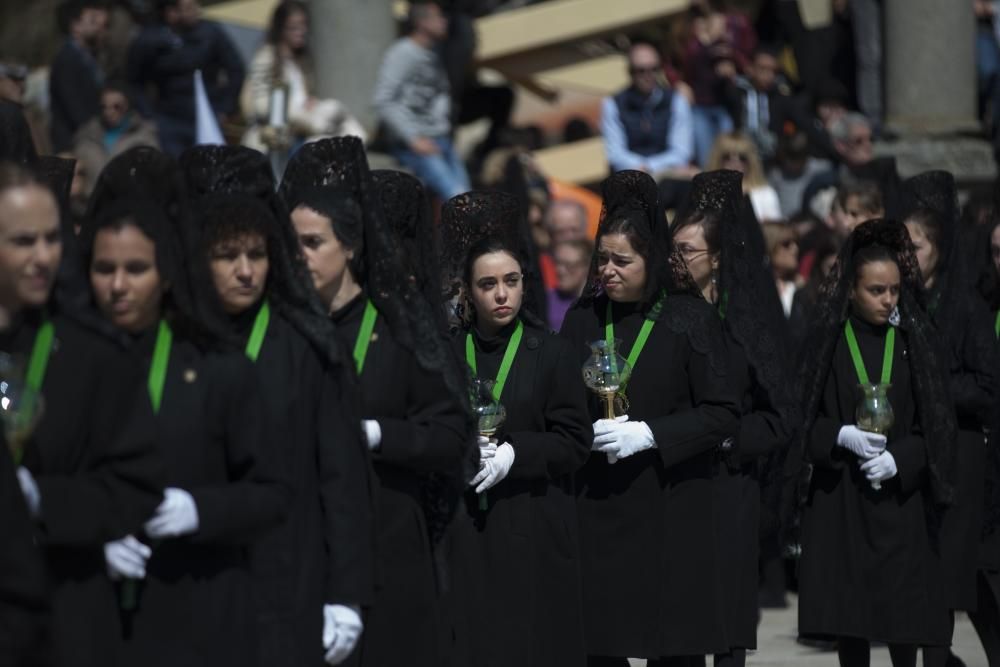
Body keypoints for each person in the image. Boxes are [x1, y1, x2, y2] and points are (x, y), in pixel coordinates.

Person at [80, 147, 288, 667]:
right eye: (105, 269)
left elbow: (271, 492)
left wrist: (199, 509)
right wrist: (87, 535)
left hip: (200, 615)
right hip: (94, 618)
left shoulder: (218, 367)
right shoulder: (66, 364)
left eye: (137, 269)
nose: (119, 286)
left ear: (169, 273)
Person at [178, 145, 376, 667]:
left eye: (258, 254)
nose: (245, 271)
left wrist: (346, 592)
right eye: (227, 255)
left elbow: (341, 475)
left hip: (290, 574)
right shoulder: (173, 344)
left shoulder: (306, 345)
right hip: (192, 574)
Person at [279, 136, 474, 667]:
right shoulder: (282, 331)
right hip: (305, 544)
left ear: (349, 246)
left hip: (390, 539)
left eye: (313, 242)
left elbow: (451, 436)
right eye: (291, 243)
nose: (299, 256)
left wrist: (378, 434)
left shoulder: (397, 328)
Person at [559, 170, 740, 665]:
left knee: (672, 647)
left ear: (653, 260)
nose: (608, 271)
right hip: (601, 508)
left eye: (623, 261)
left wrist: (650, 434)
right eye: (602, 259)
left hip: (670, 510)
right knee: (603, 645)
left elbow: (723, 412)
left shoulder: (688, 318)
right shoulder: (583, 319)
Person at [0, 158, 163, 667]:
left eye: (52, 239)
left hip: (57, 615)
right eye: (24, 241)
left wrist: (40, 499)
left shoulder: (93, 356)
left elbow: (135, 485)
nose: (44, 256)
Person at [794, 218, 957, 667]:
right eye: (876, 291)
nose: (888, 300)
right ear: (850, 289)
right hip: (842, 499)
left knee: (904, 619)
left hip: (899, 504)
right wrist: (839, 435)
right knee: (853, 620)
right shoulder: (825, 342)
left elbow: (937, 427)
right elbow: (799, 418)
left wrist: (901, 459)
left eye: (894, 290)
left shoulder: (913, 342)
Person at [440, 190, 592, 667]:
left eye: (511, 281)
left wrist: (514, 454)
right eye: (487, 284)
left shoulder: (550, 352)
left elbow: (574, 440)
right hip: (466, 533)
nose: (501, 294)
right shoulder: (446, 352)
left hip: (531, 529)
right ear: (468, 289)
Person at [671, 171, 798, 667]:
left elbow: (781, 414)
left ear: (718, 259)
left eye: (689, 252)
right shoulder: (665, 315)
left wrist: (728, 438)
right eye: (674, 250)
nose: (677, 262)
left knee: (727, 626)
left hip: (729, 485)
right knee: (678, 623)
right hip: (676, 483)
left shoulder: (748, 321)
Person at [897, 171, 1000, 667]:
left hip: (958, 458)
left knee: (943, 584)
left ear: (939, 246)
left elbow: (986, 388)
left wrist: (929, 385)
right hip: (908, 457)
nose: (907, 258)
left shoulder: (967, 306)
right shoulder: (898, 301)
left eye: (915, 247)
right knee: (910, 583)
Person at [372, 0, 470, 201]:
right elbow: (383, 100)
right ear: (422, 23)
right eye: (438, 18)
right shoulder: (402, 53)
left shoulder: (437, 52)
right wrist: (413, 138)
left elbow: (440, 95)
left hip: (441, 138)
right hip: (414, 143)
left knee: (467, 195)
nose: (445, 21)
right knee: (458, 197)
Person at [240, 1, 366, 156]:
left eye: (304, 25)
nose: (301, 31)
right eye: (294, 27)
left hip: (303, 132)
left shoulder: (302, 59)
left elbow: (302, 96)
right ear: (281, 28)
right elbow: (260, 105)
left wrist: (310, 103)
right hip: (277, 138)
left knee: (342, 121)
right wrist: (301, 116)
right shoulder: (266, 56)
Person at [126, 0, 245, 156]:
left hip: (207, 113)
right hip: (169, 119)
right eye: (188, 8)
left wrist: (225, 108)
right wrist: (148, 115)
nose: (195, 12)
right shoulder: (150, 39)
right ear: (171, 12)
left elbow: (236, 69)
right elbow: (134, 80)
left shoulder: (211, 33)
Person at [680, 0, 756, 167]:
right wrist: (705, 42)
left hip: (725, 103)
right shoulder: (687, 27)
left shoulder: (734, 21)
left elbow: (747, 59)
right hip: (700, 105)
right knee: (706, 158)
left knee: (729, 156)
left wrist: (731, 57)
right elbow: (683, 64)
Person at [601, 42, 694, 176]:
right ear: (630, 72)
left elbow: (682, 151)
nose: (648, 75)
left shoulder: (676, 101)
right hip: (630, 176)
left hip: (668, 175)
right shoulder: (613, 104)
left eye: (654, 69)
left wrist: (651, 167)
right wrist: (641, 167)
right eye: (641, 70)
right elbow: (615, 154)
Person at [73, 82, 160, 196]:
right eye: (104, 106)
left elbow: (156, 174)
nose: (109, 112)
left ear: (127, 106)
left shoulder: (145, 137)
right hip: (93, 205)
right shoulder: (85, 136)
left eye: (117, 106)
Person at [49, 0, 109, 152]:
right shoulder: (66, 59)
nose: (99, 25)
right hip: (76, 142)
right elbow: (74, 106)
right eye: (92, 20)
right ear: (75, 26)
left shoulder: (89, 56)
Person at [706, 131, 780, 222]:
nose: (735, 162)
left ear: (751, 161)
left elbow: (773, 232)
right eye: (727, 157)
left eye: (742, 157)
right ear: (717, 159)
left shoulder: (766, 194)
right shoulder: (707, 194)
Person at [767, 131, 833, 219]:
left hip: (813, 222)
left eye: (797, 158)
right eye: (791, 158)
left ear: (806, 156)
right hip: (786, 223)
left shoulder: (821, 170)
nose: (794, 164)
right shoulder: (776, 175)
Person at [547, 239, 593, 331]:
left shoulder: (599, 304)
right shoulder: (545, 300)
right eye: (557, 263)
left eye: (568, 265)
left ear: (587, 266)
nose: (560, 270)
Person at [761, 221, 803, 317]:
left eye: (796, 243)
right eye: (786, 244)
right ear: (770, 245)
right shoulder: (753, 285)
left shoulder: (799, 289)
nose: (795, 249)